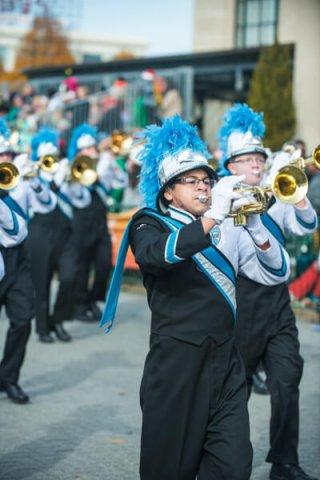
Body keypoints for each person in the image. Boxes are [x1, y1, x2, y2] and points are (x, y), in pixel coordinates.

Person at [100, 115, 291, 480]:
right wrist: (213, 217)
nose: (203, 188)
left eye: (207, 180)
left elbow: (276, 272)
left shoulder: (224, 222)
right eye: (192, 182)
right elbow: (159, 255)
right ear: (168, 190)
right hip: (177, 365)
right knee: (169, 468)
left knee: (233, 465)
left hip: (226, 360)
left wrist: (256, 229)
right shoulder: (148, 223)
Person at [218, 103, 319, 480]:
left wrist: (298, 194)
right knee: (236, 388)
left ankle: (284, 460)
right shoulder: (223, 201)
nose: (256, 165)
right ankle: (230, 462)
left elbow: (306, 226)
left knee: (288, 377)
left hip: (277, 305)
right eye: (246, 160)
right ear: (231, 167)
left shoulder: (276, 194)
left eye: (259, 158)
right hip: (242, 303)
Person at [0, 119, 53, 403]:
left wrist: (34, 181)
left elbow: (48, 206)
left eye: (8, 155)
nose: (5, 160)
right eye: (0, 156)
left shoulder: (20, 177)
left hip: (17, 256)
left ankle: (8, 378)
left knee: (22, 320)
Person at [68, 124, 127, 322]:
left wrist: (112, 164)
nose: (90, 151)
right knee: (82, 267)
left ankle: (93, 300)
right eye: (85, 149)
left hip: (100, 224)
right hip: (81, 224)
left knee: (103, 264)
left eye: (92, 147)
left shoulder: (105, 163)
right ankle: (79, 305)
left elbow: (121, 183)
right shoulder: (73, 171)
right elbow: (75, 195)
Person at [25, 128, 79, 343]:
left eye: (54, 156)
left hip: (65, 233)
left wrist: (71, 180)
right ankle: (42, 327)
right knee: (42, 282)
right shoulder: (33, 178)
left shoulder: (64, 173)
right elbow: (43, 202)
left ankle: (57, 319)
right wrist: (56, 182)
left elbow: (81, 200)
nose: (52, 161)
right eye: (47, 157)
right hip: (40, 232)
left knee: (70, 277)